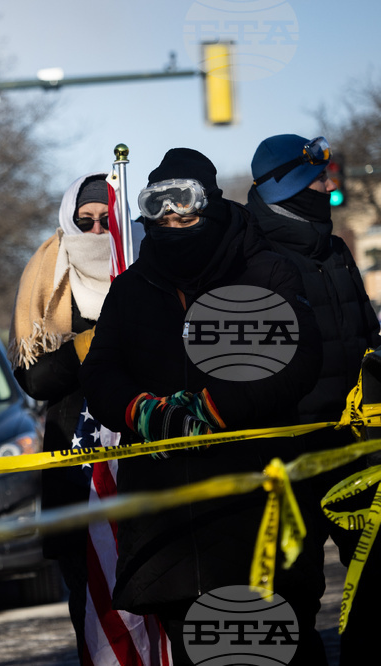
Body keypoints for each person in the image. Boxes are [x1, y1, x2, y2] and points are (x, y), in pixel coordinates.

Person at [80, 148, 324, 664]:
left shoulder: (265, 271)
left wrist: (211, 408)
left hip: (254, 513)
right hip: (170, 530)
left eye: (185, 208)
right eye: (159, 209)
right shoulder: (130, 289)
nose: (172, 220)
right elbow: (100, 374)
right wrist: (142, 411)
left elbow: (296, 362)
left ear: (210, 204)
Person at [248, 134, 381, 665]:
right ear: (289, 184)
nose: (330, 187)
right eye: (319, 179)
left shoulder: (335, 246)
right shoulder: (252, 254)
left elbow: (368, 336)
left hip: (355, 448)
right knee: (291, 593)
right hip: (287, 453)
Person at [8, 172, 112, 662]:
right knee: (87, 603)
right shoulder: (48, 276)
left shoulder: (143, 266)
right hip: (75, 460)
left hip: (138, 459)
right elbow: (33, 378)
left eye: (105, 220)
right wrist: (88, 347)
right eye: (84, 220)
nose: (95, 231)